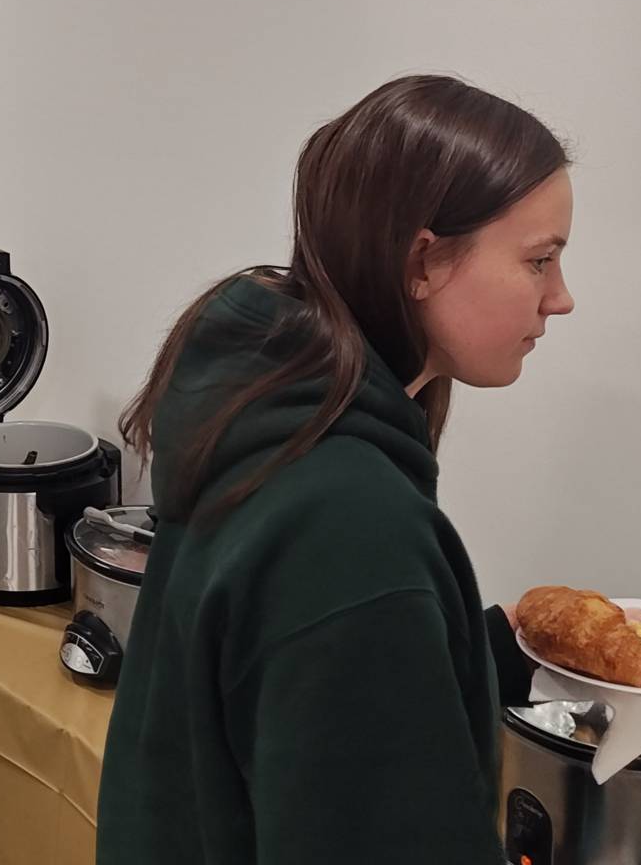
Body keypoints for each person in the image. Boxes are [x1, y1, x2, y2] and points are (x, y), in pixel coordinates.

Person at [97, 76, 576, 865]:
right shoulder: (353, 527)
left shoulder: (266, 403)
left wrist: (489, 647)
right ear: (423, 262)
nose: (560, 299)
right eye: (539, 261)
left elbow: (295, 685)